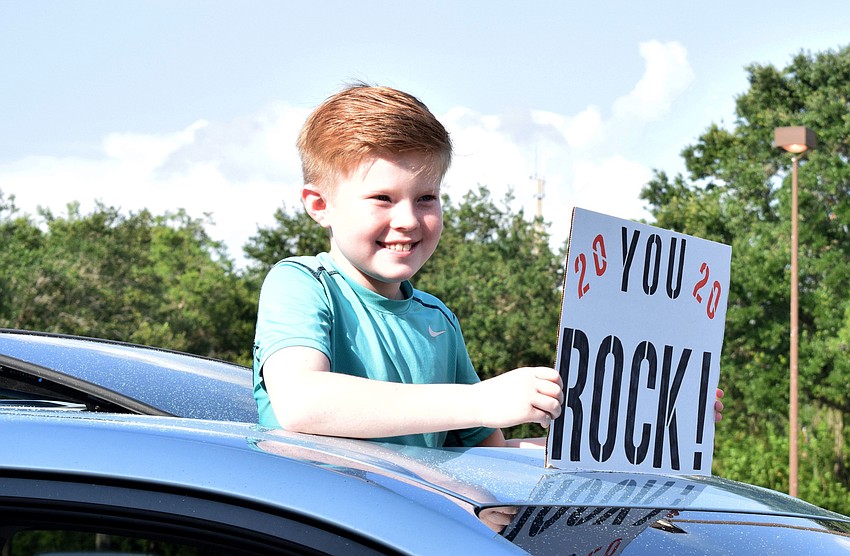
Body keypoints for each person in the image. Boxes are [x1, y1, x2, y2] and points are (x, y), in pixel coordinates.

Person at [252, 83, 723, 449]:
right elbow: (303, 404)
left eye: (426, 198)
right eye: (382, 198)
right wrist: (482, 401)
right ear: (319, 204)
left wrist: (652, 432)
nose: (408, 220)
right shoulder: (301, 283)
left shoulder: (437, 320)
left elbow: (487, 457)